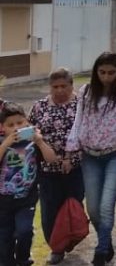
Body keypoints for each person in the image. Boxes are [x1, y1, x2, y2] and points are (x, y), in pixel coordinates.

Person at [67, 51, 116, 266]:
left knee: (107, 205)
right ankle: (105, 242)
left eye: (111, 72)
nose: (106, 77)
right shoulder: (86, 91)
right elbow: (78, 120)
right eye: (102, 72)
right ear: (95, 71)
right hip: (89, 155)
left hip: (115, 155)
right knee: (93, 208)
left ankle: (100, 251)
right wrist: (72, 149)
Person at [30, 68, 84, 266]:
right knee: (49, 211)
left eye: (64, 86)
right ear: (50, 87)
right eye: (55, 87)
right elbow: (30, 130)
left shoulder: (82, 104)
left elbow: (86, 133)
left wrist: (71, 157)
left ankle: (71, 238)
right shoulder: (39, 106)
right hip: (47, 171)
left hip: (76, 168)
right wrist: (41, 143)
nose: (60, 90)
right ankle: (56, 248)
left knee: (74, 206)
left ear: (72, 85)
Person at [0, 103, 58, 266]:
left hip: (26, 199)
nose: (16, 128)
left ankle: (23, 258)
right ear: (2, 128)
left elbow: (51, 159)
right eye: (11, 125)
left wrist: (40, 142)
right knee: (4, 238)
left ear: (27, 122)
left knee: (24, 231)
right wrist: (6, 143)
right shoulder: (1, 143)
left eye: (20, 123)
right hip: (3, 202)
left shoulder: (33, 143)